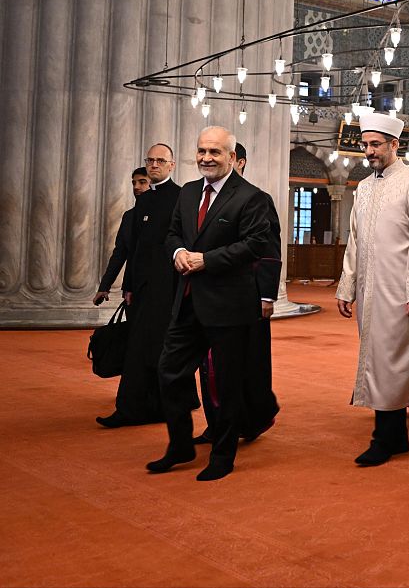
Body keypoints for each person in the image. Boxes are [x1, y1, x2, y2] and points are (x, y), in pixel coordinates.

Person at [147, 126, 271, 481]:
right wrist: (178, 252)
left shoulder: (251, 197)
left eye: (215, 152)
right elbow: (171, 234)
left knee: (228, 385)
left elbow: (255, 245)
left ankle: (223, 455)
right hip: (187, 302)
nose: (206, 158)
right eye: (202, 151)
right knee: (168, 372)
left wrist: (207, 260)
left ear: (231, 157)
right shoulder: (186, 193)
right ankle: (180, 445)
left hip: (229, 305)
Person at [336, 113, 409, 467]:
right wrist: (346, 287)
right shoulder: (363, 187)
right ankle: (395, 436)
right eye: (366, 145)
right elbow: (355, 240)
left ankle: (385, 438)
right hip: (367, 290)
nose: (369, 151)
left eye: (376, 145)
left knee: (392, 363)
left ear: (395, 145)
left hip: (400, 291)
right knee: (375, 359)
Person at [194, 142, 281, 445]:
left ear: (238, 162)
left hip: (248, 296)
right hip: (209, 295)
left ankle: (251, 419)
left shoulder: (257, 200)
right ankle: (216, 423)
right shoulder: (200, 198)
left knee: (246, 365)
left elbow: (268, 251)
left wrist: (266, 296)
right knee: (211, 365)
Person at [96, 145, 187, 428]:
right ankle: (139, 408)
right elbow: (134, 251)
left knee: (157, 349)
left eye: (161, 160)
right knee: (140, 349)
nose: (154, 165)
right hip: (142, 290)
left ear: (171, 165)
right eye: (150, 160)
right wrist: (129, 286)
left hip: (168, 288)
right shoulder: (144, 202)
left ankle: (147, 408)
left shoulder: (182, 196)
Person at [93, 167, 150, 307]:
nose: (136, 187)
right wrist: (104, 286)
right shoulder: (129, 216)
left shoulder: (168, 212)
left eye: (142, 182)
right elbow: (120, 253)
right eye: (134, 183)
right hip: (133, 287)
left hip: (158, 288)